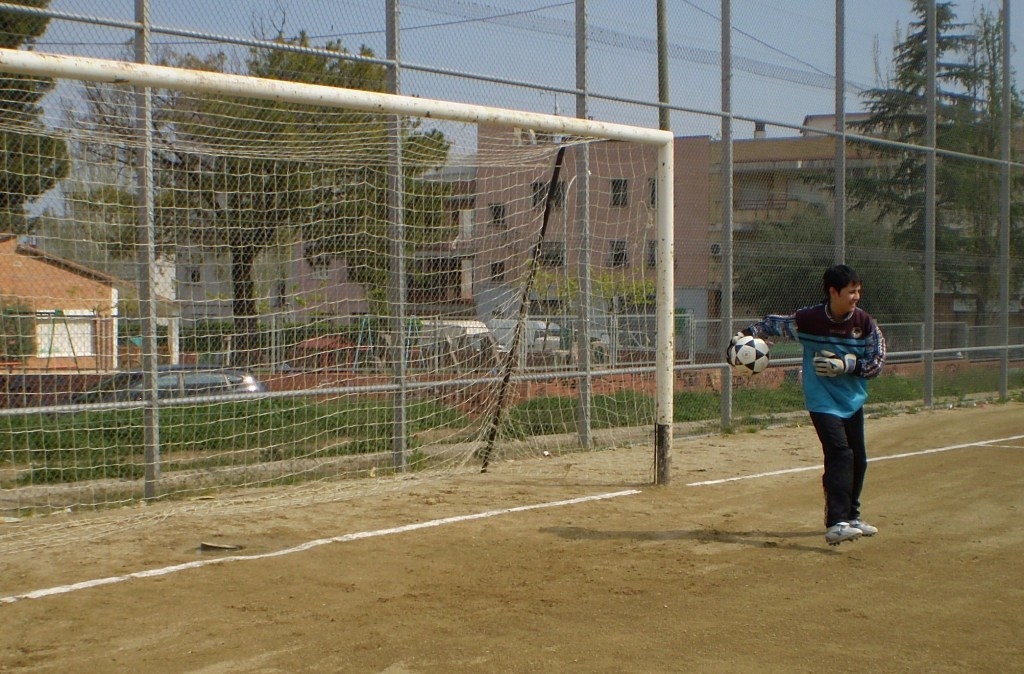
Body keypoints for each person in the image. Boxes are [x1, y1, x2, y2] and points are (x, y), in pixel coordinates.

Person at [731, 264, 887, 546]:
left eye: (858, 292)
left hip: (852, 401)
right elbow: (773, 324)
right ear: (833, 292)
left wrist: (846, 365)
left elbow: (877, 363)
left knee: (858, 459)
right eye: (851, 292)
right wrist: (744, 334)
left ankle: (851, 516)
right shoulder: (810, 320)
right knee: (839, 453)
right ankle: (836, 523)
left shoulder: (864, 324)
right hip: (822, 402)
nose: (856, 297)